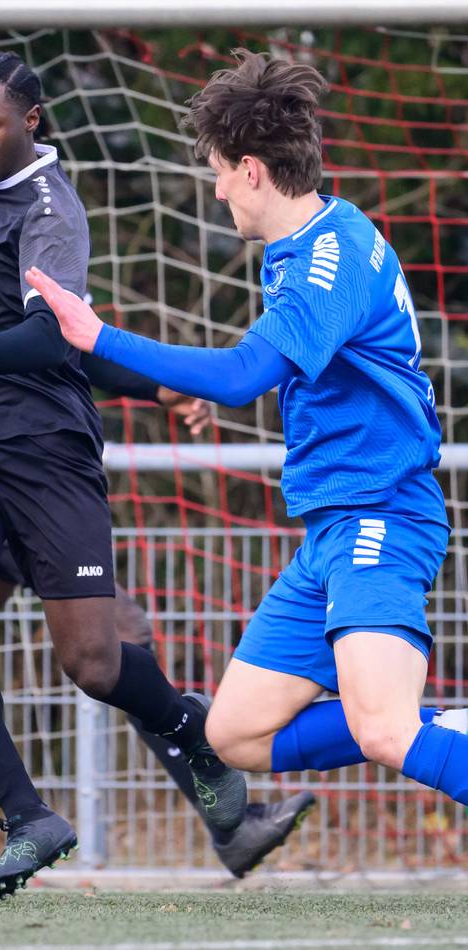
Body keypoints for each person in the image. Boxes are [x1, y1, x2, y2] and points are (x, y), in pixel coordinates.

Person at [24, 50, 468, 814]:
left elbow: (239, 378)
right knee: (236, 735)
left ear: (254, 169)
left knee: (386, 730)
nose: (219, 187)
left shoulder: (325, 265)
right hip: (334, 527)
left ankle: (421, 733)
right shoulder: (320, 234)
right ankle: (439, 732)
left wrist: (97, 337)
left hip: (382, 518)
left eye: (221, 171)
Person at [0, 49, 256, 899]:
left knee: (95, 663)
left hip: (46, 450)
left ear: (31, 122)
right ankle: (26, 817)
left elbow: (53, 338)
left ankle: (204, 750)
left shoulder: (53, 210)